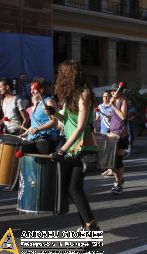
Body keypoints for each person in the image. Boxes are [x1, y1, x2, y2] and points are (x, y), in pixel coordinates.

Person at [46, 60, 99, 231]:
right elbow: (68, 121)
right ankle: (87, 225)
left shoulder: (84, 94)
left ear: (70, 75)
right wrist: (54, 113)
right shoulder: (72, 96)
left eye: (62, 74)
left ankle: (91, 227)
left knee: (73, 187)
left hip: (83, 147)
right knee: (73, 189)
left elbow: (81, 126)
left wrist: (62, 149)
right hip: (72, 147)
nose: (59, 77)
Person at [22, 77, 59, 154]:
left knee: (41, 164)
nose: (31, 92)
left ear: (41, 89)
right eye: (31, 89)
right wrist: (27, 132)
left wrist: (37, 129)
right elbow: (37, 123)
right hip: (33, 138)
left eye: (33, 89)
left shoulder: (49, 101)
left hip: (45, 138)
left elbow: (54, 122)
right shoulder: (36, 103)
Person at [109, 82, 128, 195]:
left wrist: (114, 106)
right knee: (112, 161)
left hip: (121, 135)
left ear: (120, 92)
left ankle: (118, 183)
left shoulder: (123, 101)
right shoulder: (113, 102)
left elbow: (123, 117)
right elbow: (115, 117)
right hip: (112, 134)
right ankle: (120, 179)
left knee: (118, 160)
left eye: (115, 91)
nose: (113, 92)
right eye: (112, 91)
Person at [95, 91, 113, 176]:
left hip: (112, 130)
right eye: (104, 96)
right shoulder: (100, 107)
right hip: (103, 131)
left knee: (111, 150)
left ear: (110, 97)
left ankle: (111, 169)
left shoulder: (113, 106)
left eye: (107, 96)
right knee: (105, 150)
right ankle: (107, 167)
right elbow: (97, 118)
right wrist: (93, 126)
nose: (106, 98)